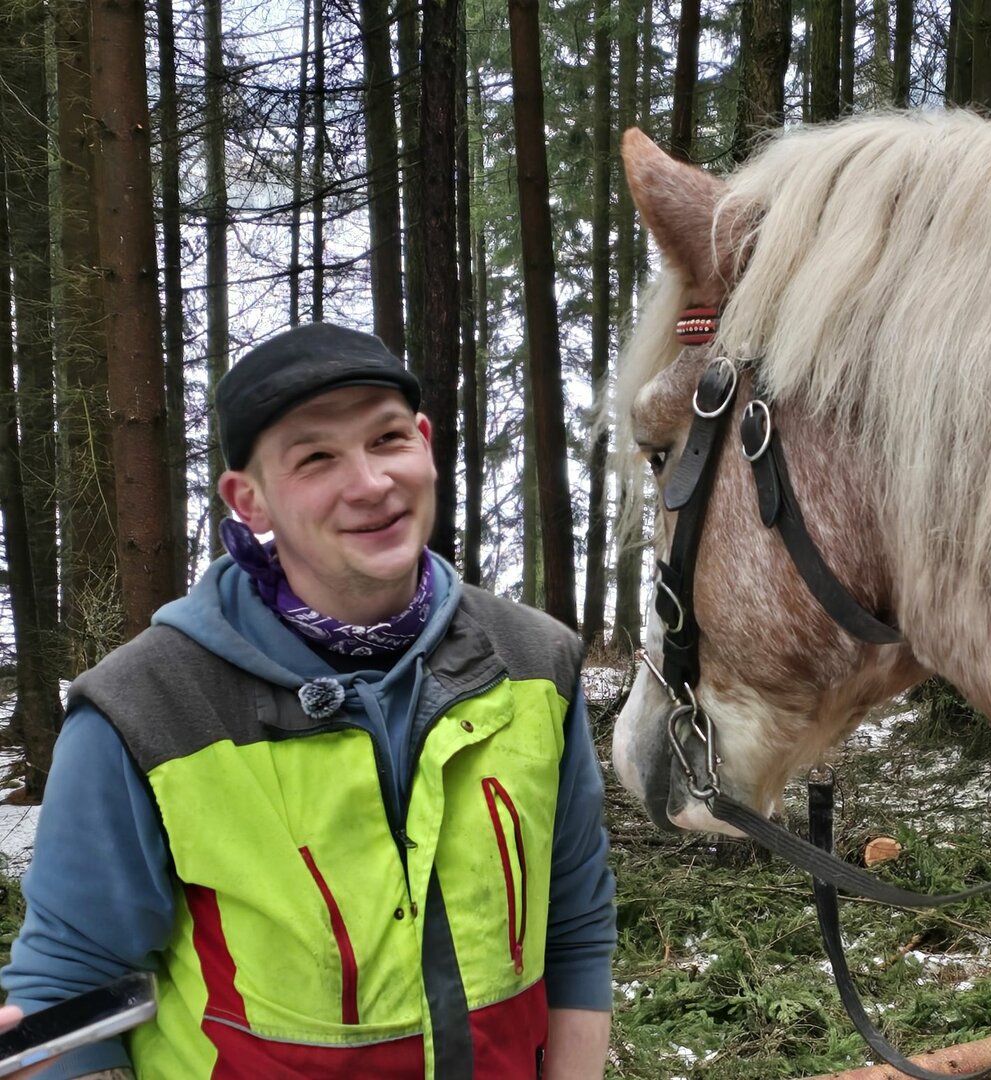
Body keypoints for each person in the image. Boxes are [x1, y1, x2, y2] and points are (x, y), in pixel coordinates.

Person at [0, 323, 616, 1079]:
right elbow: (69, 994)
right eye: (316, 458)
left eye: (387, 438)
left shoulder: (535, 662)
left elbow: (575, 926)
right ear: (249, 500)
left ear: (424, 444)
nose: (370, 483)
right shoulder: (146, 710)